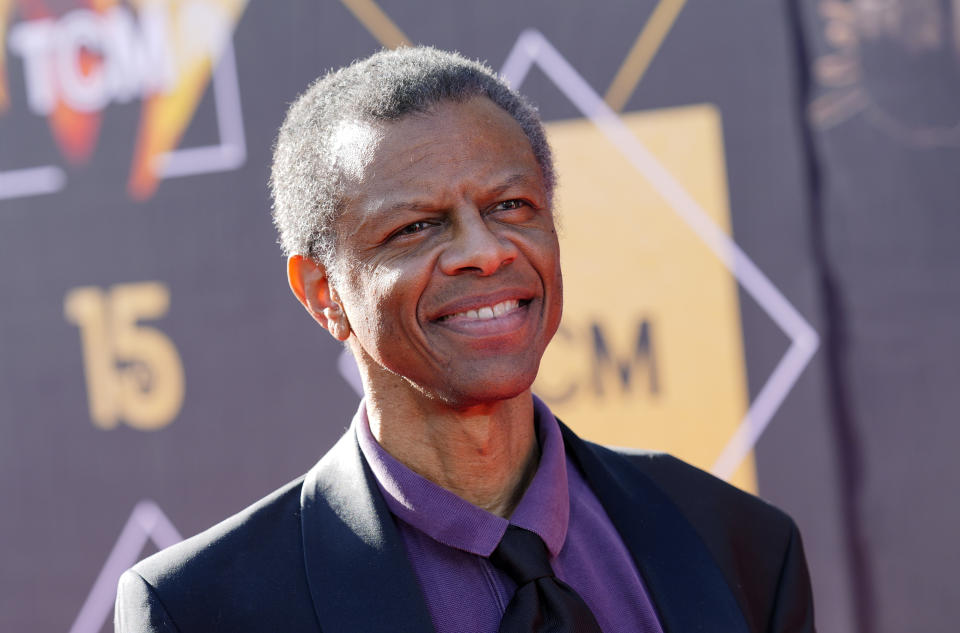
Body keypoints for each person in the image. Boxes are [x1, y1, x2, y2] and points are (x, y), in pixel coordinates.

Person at [114, 47, 815, 633]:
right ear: (322, 291)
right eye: (416, 226)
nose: (483, 251)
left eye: (510, 206)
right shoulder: (202, 610)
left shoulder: (738, 543)